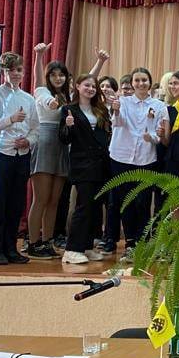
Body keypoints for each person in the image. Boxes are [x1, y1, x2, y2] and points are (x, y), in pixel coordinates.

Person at [106, 67, 167, 262]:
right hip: (121, 157)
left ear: (150, 82)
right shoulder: (123, 102)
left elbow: (160, 134)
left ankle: (143, 243)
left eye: (144, 80)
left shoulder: (159, 105)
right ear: (132, 83)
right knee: (126, 202)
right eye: (137, 80)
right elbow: (117, 123)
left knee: (143, 202)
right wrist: (116, 110)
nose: (141, 84)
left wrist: (152, 137)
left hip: (146, 159)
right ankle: (130, 244)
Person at [0, 52, 38, 265]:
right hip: (1, 154)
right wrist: (11, 119)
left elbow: (36, 129)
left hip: (21, 156)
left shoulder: (29, 99)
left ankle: (10, 249)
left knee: (16, 205)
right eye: (11, 70)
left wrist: (28, 141)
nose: (16, 73)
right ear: (3, 72)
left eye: (19, 70)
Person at [59, 74, 112, 265]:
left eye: (93, 86)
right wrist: (68, 126)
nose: (90, 89)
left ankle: (87, 246)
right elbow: (64, 139)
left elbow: (107, 134)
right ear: (78, 86)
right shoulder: (69, 110)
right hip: (82, 165)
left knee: (95, 208)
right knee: (83, 206)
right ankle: (72, 249)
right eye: (87, 85)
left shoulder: (101, 109)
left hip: (101, 164)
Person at [27, 43, 69, 260]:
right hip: (44, 142)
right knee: (41, 199)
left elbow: (88, 83)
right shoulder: (42, 91)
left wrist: (99, 62)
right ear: (48, 77)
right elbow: (47, 99)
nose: (58, 78)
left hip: (62, 144)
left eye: (62, 75)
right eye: (53, 75)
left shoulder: (69, 95)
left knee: (54, 200)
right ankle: (33, 243)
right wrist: (39, 56)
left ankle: (47, 241)